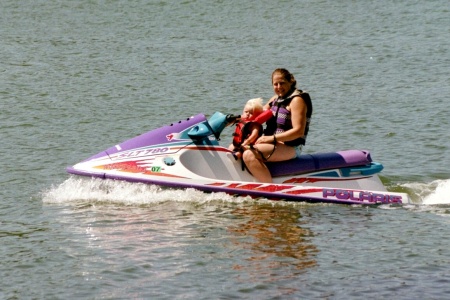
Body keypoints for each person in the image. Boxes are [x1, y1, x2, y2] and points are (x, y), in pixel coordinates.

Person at [242, 68, 313, 182]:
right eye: (275, 84)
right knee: (234, 148)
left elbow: (298, 131)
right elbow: (258, 115)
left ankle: (270, 190)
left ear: (290, 81)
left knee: (249, 155)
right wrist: (234, 119)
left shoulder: (297, 101)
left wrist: (271, 138)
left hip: (291, 147)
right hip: (273, 143)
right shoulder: (275, 99)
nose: (279, 87)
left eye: (282, 83)